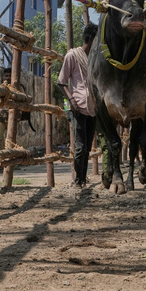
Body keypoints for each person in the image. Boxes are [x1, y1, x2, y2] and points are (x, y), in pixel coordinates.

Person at [58, 23, 98, 187]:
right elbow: (61, 82)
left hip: (93, 107)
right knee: (80, 146)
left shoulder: (95, 59)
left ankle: (82, 178)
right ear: (91, 39)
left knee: (88, 146)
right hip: (77, 107)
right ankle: (77, 180)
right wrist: (71, 100)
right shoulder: (73, 56)